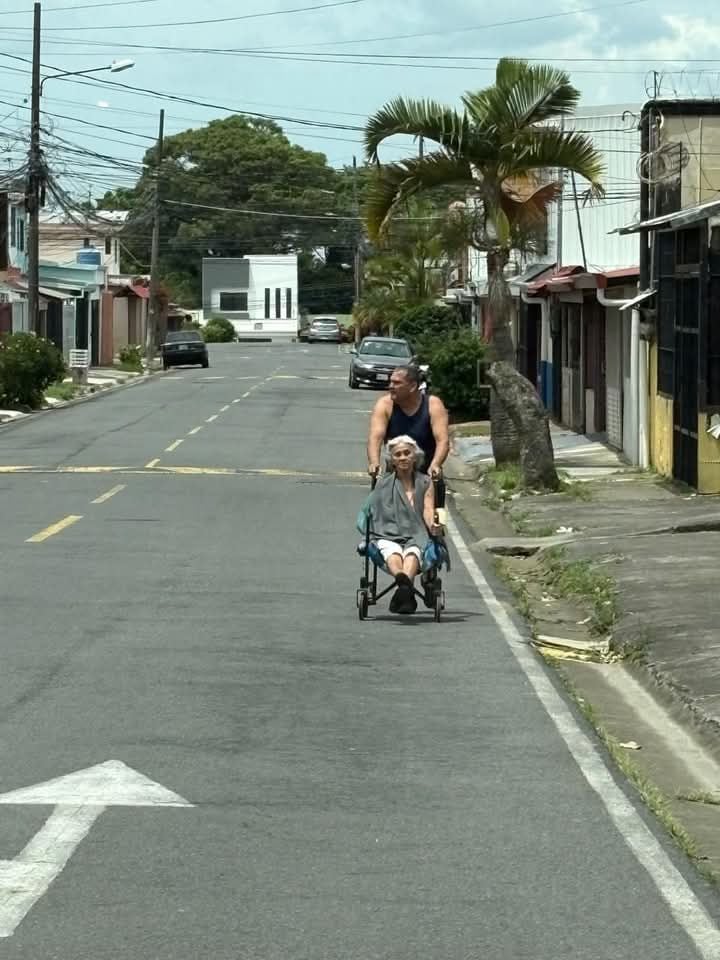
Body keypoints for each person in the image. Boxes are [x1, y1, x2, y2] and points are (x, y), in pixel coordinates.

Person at [366, 434, 442, 615]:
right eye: (397, 454)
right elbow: (375, 513)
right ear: (392, 460)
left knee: (413, 553)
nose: (402, 457)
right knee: (392, 552)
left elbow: (428, 509)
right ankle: (405, 587)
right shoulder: (383, 484)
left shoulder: (425, 482)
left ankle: (403, 588)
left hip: (416, 533)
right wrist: (373, 466)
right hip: (387, 532)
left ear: (415, 456)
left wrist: (433, 524)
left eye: (407, 453)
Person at [367, 365, 449, 480]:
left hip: (427, 474)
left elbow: (442, 441)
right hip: (395, 475)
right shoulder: (385, 404)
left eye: (397, 383)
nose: (391, 386)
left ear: (412, 386)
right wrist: (374, 462)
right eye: (391, 382)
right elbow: (375, 438)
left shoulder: (433, 404)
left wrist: (436, 464)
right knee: (383, 490)